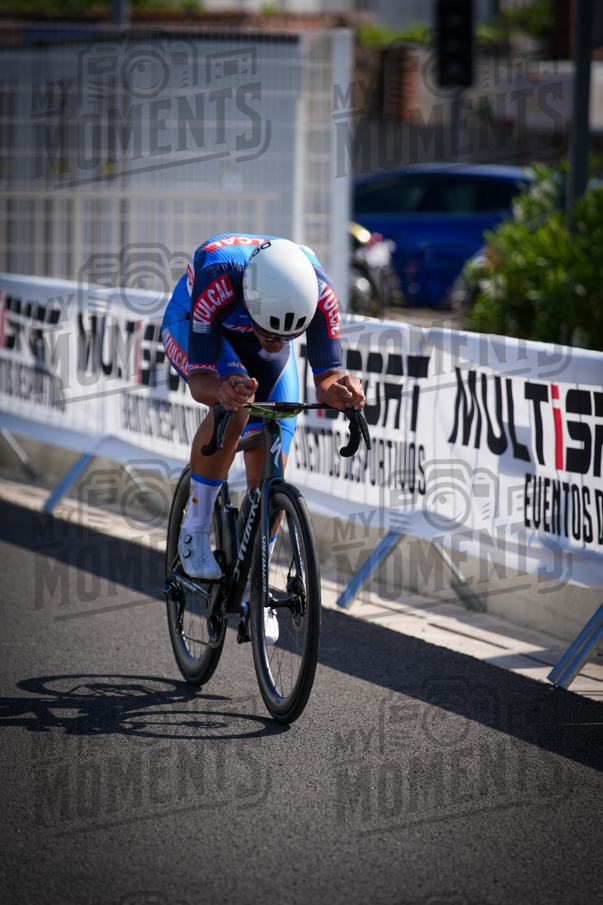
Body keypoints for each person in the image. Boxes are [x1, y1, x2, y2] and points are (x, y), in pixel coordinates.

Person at [162, 233, 365, 639]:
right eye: (270, 331)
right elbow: (200, 379)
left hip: (263, 355)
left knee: (274, 454)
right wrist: (223, 392)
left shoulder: (321, 295)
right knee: (234, 408)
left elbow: (326, 378)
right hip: (198, 328)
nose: (278, 340)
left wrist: (343, 390)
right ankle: (196, 529)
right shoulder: (219, 276)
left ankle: (257, 579)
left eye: (287, 335)